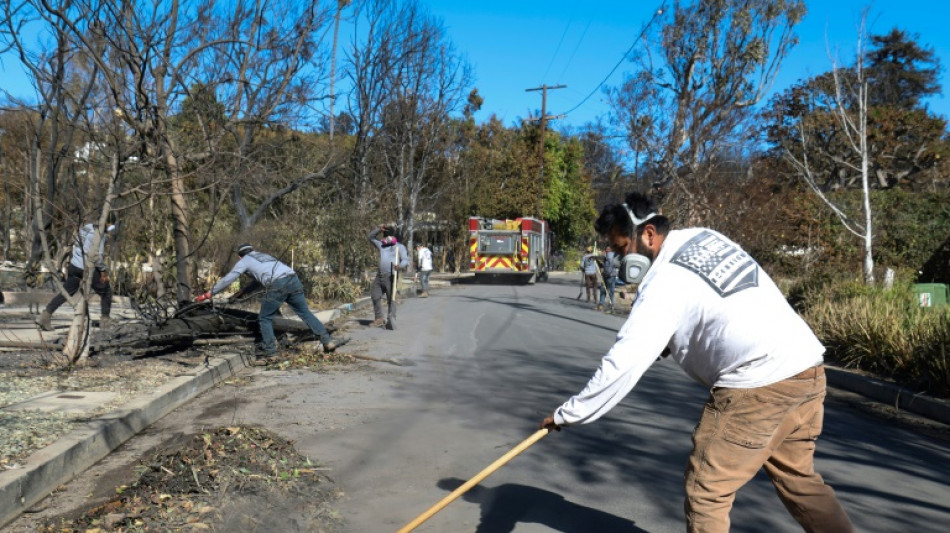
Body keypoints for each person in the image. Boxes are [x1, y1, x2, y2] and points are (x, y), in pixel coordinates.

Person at [540, 192, 854, 533]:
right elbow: (719, 305)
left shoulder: (662, 283)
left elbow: (623, 364)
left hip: (758, 386)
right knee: (800, 482)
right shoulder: (705, 237)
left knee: (706, 492)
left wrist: (568, 414)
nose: (616, 259)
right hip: (805, 369)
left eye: (620, 249)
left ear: (648, 235)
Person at [194, 243, 345, 363]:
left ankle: (270, 354)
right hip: (293, 279)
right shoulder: (264, 257)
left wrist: (210, 293)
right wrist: (241, 293)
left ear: (240, 257)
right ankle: (327, 341)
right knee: (305, 313)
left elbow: (229, 278)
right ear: (252, 250)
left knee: (265, 318)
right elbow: (258, 281)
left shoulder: (245, 261)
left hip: (277, 284)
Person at [36, 219, 116, 331]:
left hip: (75, 265)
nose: (110, 229)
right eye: (110, 225)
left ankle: (45, 316)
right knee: (106, 291)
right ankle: (105, 320)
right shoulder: (99, 233)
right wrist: (103, 271)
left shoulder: (86, 227)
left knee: (66, 293)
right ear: (107, 223)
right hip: (88, 267)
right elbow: (97, 255)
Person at [368, 225, 409, 327]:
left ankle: (391, 318)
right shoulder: (381, 245)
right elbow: (370, 237)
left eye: (387, 236)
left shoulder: (400, 247)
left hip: (391, 275)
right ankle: (379, 319)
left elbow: (405, 260)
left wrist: (399, 266)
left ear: (392, 237)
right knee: (375, 295)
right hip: (380, 275)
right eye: (384, 236)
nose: (385, 239)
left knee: (391, 298)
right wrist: (378, 230)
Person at [596, 244, 618, 312]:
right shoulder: (613, 256)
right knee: (609, 290)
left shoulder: (609, 255)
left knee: (605, 290)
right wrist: (598, 263)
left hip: (609, 276)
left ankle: (604, 304)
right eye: (606, 249)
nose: (606, 250)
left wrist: (597, 258)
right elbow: (605, 265)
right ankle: (609, 305)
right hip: (610, 275)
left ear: (610, 250)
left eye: (607, 249)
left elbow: (609, 265)